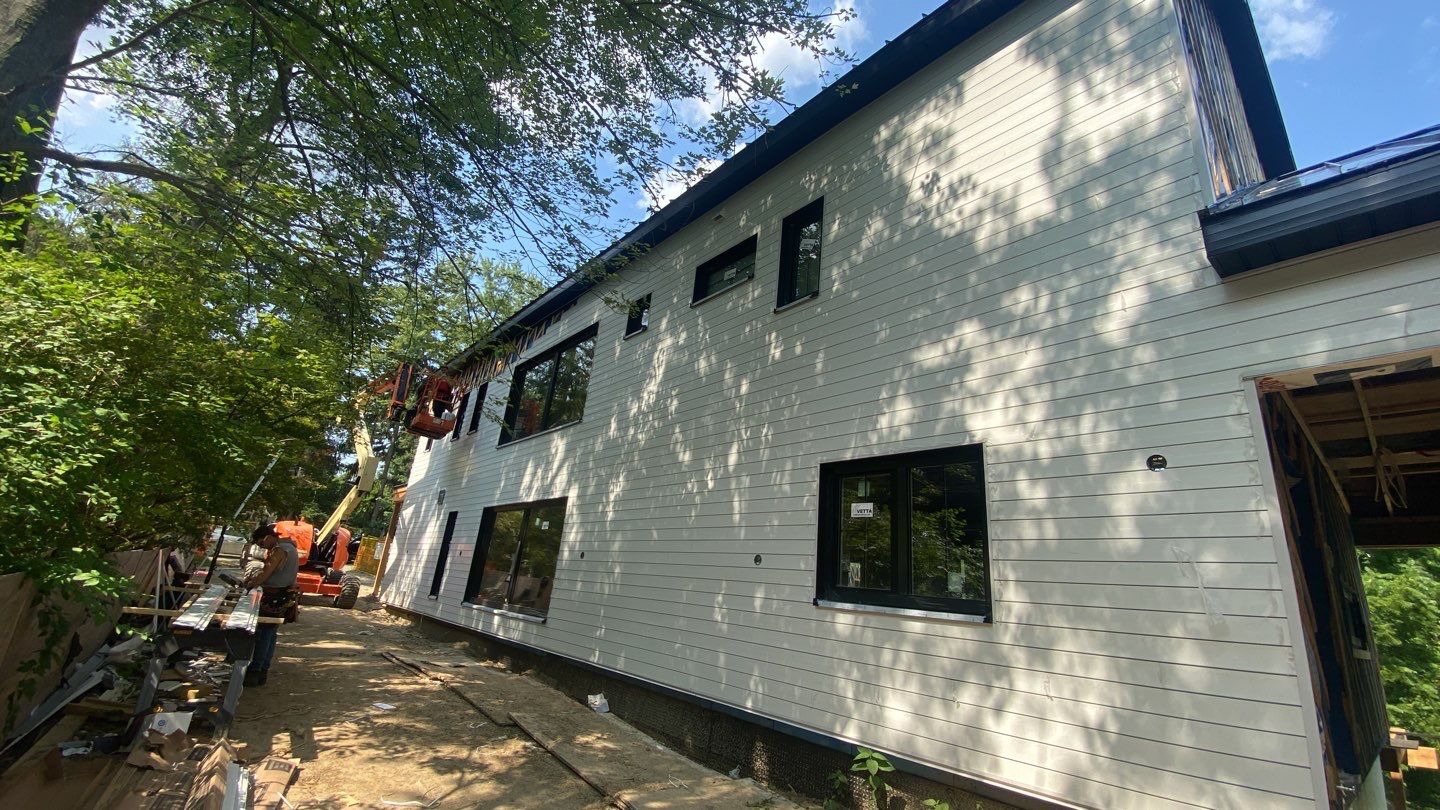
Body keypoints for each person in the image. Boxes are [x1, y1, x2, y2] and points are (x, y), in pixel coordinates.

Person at [243, 522, 300, 687]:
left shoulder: (279, 550)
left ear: (268, 537)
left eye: (262, 543)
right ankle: (263, 670)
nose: (263, 548)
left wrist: (249, 584)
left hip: (273, 597)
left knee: (263, 634)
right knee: (271, 633)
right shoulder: (291, 549)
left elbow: (265, 574)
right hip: (282, 597)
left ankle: (255, 670)